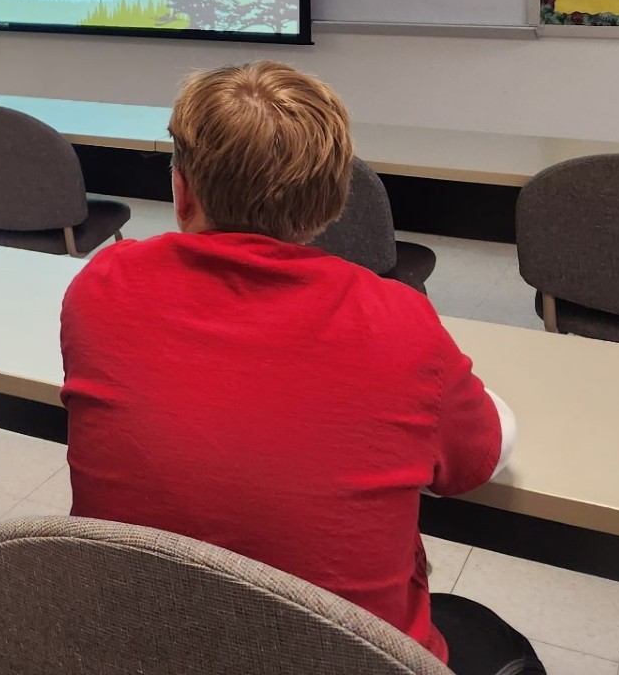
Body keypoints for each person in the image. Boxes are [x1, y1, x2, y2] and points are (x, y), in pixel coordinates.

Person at [59, 61, 540, 675]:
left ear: (182, 191)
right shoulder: (396, 320)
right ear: (333, 201)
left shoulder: (102, 284)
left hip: (137, 648)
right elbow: (477, 461)